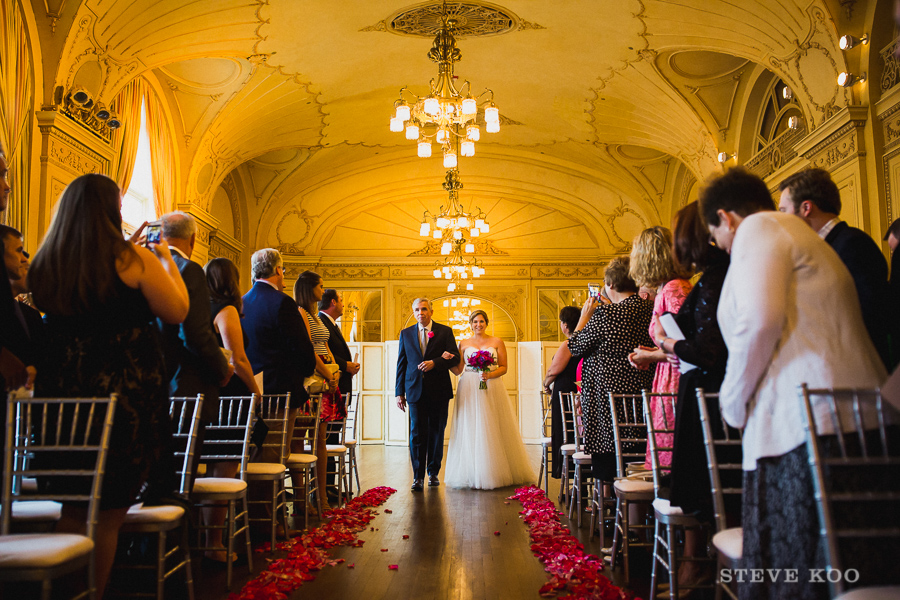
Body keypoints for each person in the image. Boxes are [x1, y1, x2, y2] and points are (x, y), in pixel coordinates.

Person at [701, 167, 886, 600]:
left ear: (726, 218)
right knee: (844, 569)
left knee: (801, 571)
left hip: (809, 429)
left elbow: (759, 322)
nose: (721, 246)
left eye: (716, 236)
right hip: (846, 418)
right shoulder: (794, 232)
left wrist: (731, 402)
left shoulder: (760, 228)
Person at [29, 173, 189, 598]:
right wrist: (164, 258)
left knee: (73, 504)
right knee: (110, 512)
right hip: (123, 397)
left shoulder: (47, 261)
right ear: (111, 211)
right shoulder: (131, 259)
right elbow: (176, 310)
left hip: (62, 399)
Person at [655, 201, 731, 587]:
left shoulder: (715, 279)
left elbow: (710, 349)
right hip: (696, 387)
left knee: (704, 481)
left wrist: (670, 346)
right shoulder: (707, 278)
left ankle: (700, 564)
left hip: (708, 391)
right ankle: (699, 560)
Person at [778, 168, 891, 368]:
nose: (781, 220)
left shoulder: (853, 244)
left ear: (806, 208)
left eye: (783, 211)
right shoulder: (820, 249)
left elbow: (868, 315)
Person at [567, 257, 655, 483]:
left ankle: (610, 513)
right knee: (640, 458)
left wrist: (583, 319)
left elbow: (575, 346)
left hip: (609, 403)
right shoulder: (650, 309)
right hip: (645, 399)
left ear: (610, 284)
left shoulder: (605, 315)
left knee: (610, 463)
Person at [241, 249, 316, 509]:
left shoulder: (241, 302)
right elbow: (302, 347)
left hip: (249, 390)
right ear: (277, 271)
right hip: (279, 392)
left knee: (252, 455)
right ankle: (268, 519)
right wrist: (305, 371)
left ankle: (255, 513)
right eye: (283, 270)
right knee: (274, 457)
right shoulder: (282, 303)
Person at [203, 256, 261, 560]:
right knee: (223, 467)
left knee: (215, 465)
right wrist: (255, 390)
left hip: (215, 393)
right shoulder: (225, 309)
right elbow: (236, 358)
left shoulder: (198, 308)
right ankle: (214, 543)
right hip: (231, 399)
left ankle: (210, 539)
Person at [444, 310, 534, 489]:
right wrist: (446, 360)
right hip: (468, 384)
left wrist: (489, 374)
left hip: (491, 385)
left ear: (486, 323)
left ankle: (493, 471)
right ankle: (470, 472)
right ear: (470, 324)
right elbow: (458, 369)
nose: (478, 324)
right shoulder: (463, 343)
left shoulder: (496, 341)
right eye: (475, 322)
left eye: (481, 321)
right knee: (469, 424)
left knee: (491, 424)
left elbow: (504, 367)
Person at [627, 226, 692, 470]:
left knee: (672, 460)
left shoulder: (675, 288)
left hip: (676, 381)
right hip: (667, 378)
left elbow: (686, 346)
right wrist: (650, 354)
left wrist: (649, 355)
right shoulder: (667, 288)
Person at [395, 298, 460, 491]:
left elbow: (455, 357)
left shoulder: (445, 331)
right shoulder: (405, 334)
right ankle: (417, 477)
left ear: (431, 311)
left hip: (439, 390)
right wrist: (399, 392)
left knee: (436, 432)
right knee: (416, 434)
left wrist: (436, 362)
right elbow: (401, 363)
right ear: (413, 312)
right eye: (416, 310)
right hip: (414, 390)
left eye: (424, 309)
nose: (420, 313)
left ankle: (433, 473)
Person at [295, 271, 344, 509]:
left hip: (327, 376)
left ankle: (323, 496)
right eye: (320, 286)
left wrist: (334, 372)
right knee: (308, 438)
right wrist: (326, 372)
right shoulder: (301, 313)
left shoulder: (316, 315)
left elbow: (324, 345)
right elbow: (307, 348)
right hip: (312, 377)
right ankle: (307, 498)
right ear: (309, 288)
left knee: (320, 440)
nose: (323, 291)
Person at [318, 288, 360, 496]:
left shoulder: (330, 324)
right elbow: (327, 355)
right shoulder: (321, 323)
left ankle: (330, 486)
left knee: (333, 438)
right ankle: (326, 487)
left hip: (339, 388)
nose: (344, 305)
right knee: (328, 439)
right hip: (330, 390)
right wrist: (346, 366)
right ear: (333, 302)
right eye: (342, 301)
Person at [542, 305, 581, 479]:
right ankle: (578, 476)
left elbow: (554, 370)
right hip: (577, 389)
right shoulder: (585, 342)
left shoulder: (569, 343)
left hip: (565, 391)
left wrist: (545, 384)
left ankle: (565, 474)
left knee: (564, 430)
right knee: (576, 431)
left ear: (565, 325)